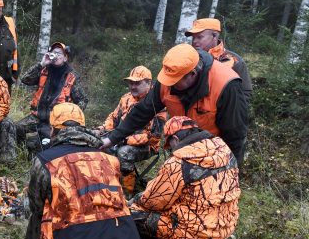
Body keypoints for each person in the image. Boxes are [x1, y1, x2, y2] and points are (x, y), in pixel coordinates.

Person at [20, 102, 148, 239]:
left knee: (39, 214)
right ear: (83, 127)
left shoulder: (46, 161)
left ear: (53, 130)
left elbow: (36, 207)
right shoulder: (110, 160)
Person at [129, 116, 240, 239]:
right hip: (225, 225)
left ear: (175, 138)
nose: (170, 150)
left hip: (194, 232)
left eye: (169, 145)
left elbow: (153, 202)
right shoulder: (223, 148)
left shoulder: (177, 163)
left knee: (131, 214)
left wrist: (135, 200)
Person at [101, 43, 248, 163]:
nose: (169, 84)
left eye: (175, 81)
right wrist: (112, 138)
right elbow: (142, 112)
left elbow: (235, 136)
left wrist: (230, 169)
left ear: (192, 74)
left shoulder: (227, 85)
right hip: (182, 147)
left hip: (214, 152)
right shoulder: (169, 75)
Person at [96, 66, 167, 196]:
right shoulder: (126, 98)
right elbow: (113, 117)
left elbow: (154, 137)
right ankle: (106, 185)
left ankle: (126, 193)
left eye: (137, 83)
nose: (133, 86)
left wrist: (124, 140)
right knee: (99, 146)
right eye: (131, 83)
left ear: (148, 83)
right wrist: (100, 130)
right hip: (122, 139)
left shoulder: (157, 103)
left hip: (147, 146)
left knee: (124, 152)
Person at [16, 42, 88, 150]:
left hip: (56, 122)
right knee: (16, 128)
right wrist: (42, 63)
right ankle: (23, 152)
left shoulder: (72, 76)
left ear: (65, 58)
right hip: (38, 117)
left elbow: (83, 100)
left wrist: (69, 117)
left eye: (59, 53)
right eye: (54, 52)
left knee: (44, 145)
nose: (56, 55)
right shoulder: (44, 69)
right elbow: (25, 80)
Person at [186, 18, 253, 105]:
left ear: (214, 36)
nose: (194, 41)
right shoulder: (188, 58)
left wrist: (229, 111)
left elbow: (245, 93)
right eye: (193, 37)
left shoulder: (234, 61)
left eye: (199, 37)